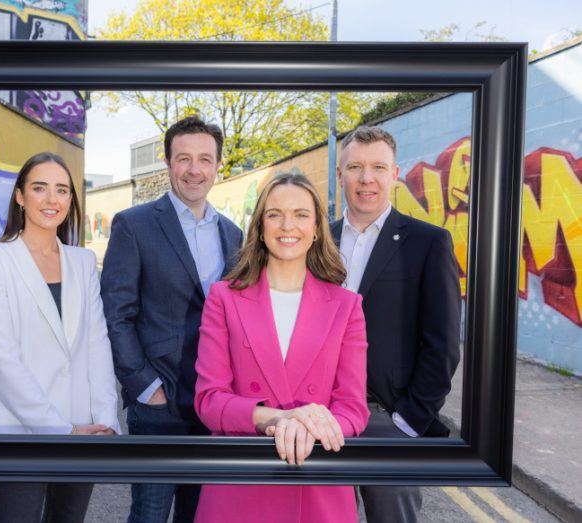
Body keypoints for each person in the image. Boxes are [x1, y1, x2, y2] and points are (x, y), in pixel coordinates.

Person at [194, 173, 369, 523]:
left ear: (317, 227)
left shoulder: (347, 305)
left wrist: (312, 425)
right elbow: (209, 401)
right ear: (259, 227)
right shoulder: (223, 298)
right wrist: (280, 419)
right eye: (275, 214)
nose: (288, 225)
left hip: (318, 481)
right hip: (241, 483)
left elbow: (353, 408)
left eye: (301, 214)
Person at [100, 116, 244, 523]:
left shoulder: (234, 234)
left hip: (212, 401)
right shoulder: (135, 224)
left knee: (200, 514)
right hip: (156, 402)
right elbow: (117, 314)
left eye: (204, 159)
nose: (194, 170)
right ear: (168, 163)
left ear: (218, 165)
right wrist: (144, 386)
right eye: (183, 159)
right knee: (149, 513)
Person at [0, 152, 120, 523]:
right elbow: (1, 361)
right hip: (15, 433)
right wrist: (62, 431)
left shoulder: (83, 262)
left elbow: (97, 345)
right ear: (20, 196)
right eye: (40, 188)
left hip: (84, 429)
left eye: (62, 190)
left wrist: (105, 422)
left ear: (71, 200)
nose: (52, 200)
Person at [330, 126, 462, 523]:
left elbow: (444, 343)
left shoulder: (427, 242)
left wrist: (409, 420)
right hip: (318, 412)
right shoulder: (318, 239)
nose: (366, 178)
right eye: (355, 167)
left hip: (386, 416)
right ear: (340, 175)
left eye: (377, 167)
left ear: (395, 174)